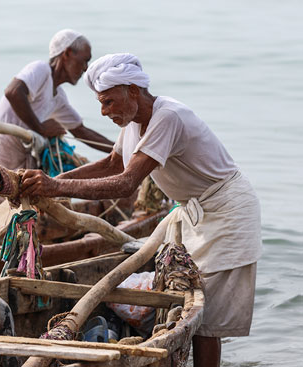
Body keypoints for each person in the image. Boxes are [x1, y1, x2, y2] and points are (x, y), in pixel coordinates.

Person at [20, 53, 262, 367]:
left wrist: (55, 188)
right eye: (100, 103)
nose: (104, 111)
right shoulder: (134, 122)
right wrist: (56, 179)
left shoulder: (168, 117)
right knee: (193, 301)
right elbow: (111, 163)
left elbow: (125, 183)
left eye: (109, 102)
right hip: (194, 212)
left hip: (226, 213)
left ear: (133, 90)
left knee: (206, 316)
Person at [0, 29, 115, 220]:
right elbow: (13, 92)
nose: (86, 68)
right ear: (68, 53)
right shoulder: (41, 70)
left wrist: (120, 151)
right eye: (84, 60)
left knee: (17, 225)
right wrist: (40, 128)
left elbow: (81, 131)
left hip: (21, 163)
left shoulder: (58, 97)